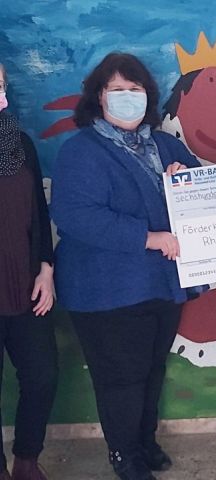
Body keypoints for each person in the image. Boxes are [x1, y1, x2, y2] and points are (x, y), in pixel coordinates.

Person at [51, 53, 200, 480]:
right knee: (122, 378)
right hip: (105, 290)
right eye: (117, 89)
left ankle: (144, 442)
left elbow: (206, 193)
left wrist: (186, 177)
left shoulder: (166, 146)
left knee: (152, 370)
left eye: (134, 89)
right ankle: (123, 453)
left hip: (161, 284)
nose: (127, 97)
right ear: (99, 96)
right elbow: (76, 215)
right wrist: (147, 238)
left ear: (148, 96)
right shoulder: (80, 150)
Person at [0, 63, 58, 480]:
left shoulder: (18, 143)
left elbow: (38, 210)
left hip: (25, 285)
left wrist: (46, 269)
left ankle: (26, 460)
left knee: (42, 376)